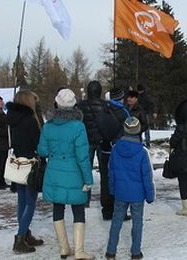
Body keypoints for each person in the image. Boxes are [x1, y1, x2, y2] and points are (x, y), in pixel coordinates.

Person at [38, 89, 95, 260]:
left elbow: (42, 150)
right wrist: (88, 179)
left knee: (58, 207)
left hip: (54, 171)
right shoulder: (78, 126)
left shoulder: (48, 126)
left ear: (56, 103)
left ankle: (64, 248)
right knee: (78, 209)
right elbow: (82, 156)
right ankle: (79, 251)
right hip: (74, 172)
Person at [105, 117, 155, 260]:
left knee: (116, 222)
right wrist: (149, 195)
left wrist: (112, 189)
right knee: (137, 223)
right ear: (138, 130)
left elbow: (111, 172)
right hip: (137, 195)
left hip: (120, 192)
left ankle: (110, 251)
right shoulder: (141, 152)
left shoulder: (115, 149)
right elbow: (146, 176)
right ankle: (135, 252)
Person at [6, 91, 44, 254]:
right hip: (30, 164)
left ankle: (25, 233)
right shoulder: (30, 121)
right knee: (30, 202)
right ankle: (20, 237)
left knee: (22, 201)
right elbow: (38, 143)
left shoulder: (12, 119)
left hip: (18, 164)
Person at [77, 80, 106, 208]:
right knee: (105, 171)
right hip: (101, 140)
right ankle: (105, 198)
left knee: (85, 170)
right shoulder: (105, 105)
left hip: (87, 140)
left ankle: (85, 199)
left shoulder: (81, 105)